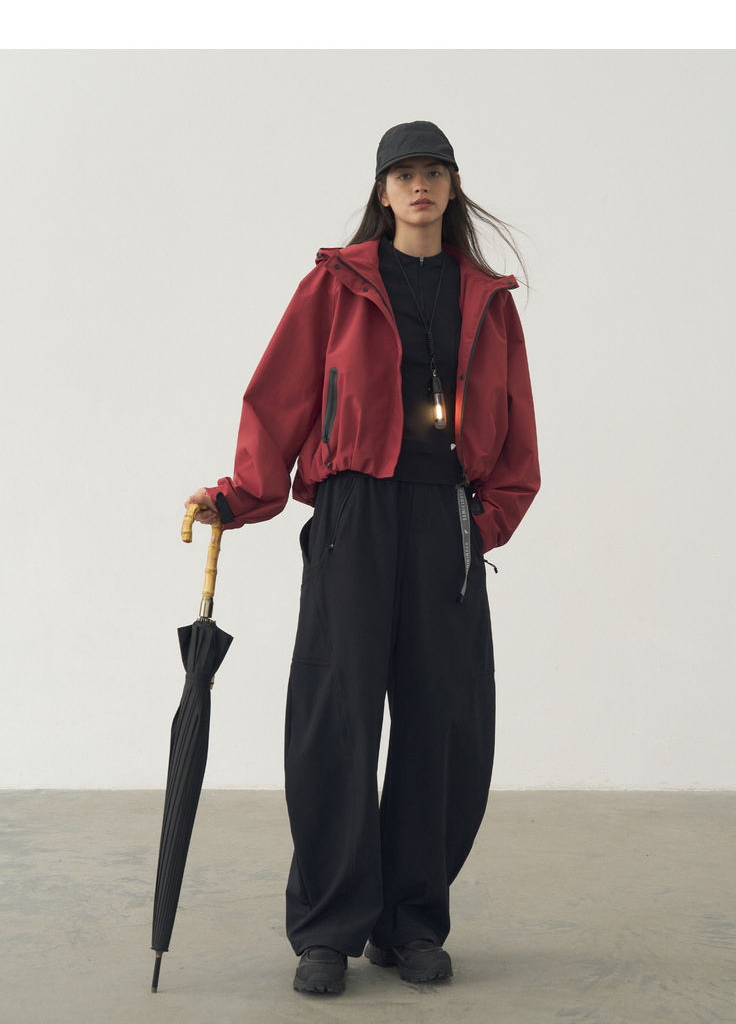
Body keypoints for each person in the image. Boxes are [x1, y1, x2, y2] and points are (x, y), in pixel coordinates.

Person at [185, 120, 540, 995]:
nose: (419, 186)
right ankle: (327, 928)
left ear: (452, 187)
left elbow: (518, 433)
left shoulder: (487, 299)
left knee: (441, 723)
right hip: (354, 515)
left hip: (444, 518)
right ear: (383, 191)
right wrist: (240, 494)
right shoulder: (336, 284)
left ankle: (411, 923)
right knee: (337, 719)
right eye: (403, 173)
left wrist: (483, 521)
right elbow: (280, 397)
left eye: (434, 172)